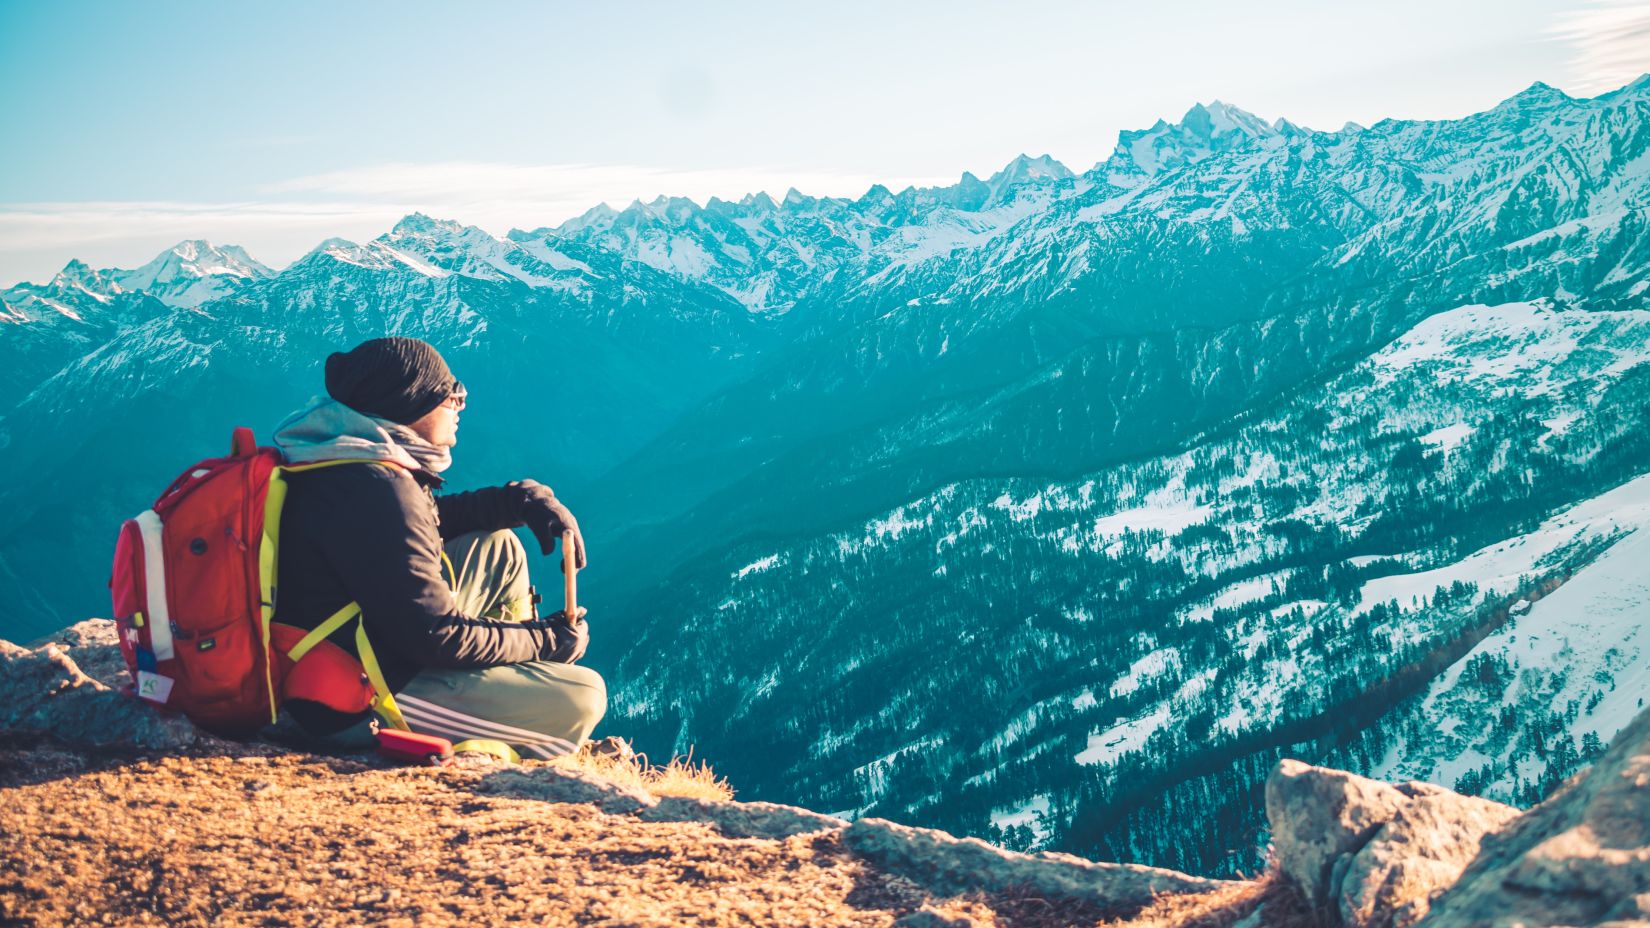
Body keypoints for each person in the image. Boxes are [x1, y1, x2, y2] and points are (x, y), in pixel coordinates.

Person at [269, 336, 605, 757]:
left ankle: (509, 678)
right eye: (452, 396)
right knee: (582, 696)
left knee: (498, 546)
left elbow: (412, 528)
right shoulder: (379, 489)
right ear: (412, 403)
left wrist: (518, 500)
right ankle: (515, 723)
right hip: (352, 699)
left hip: (346, 647)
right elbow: (439, 637)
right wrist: (544, 641)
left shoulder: (341, 460)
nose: (461, 406)